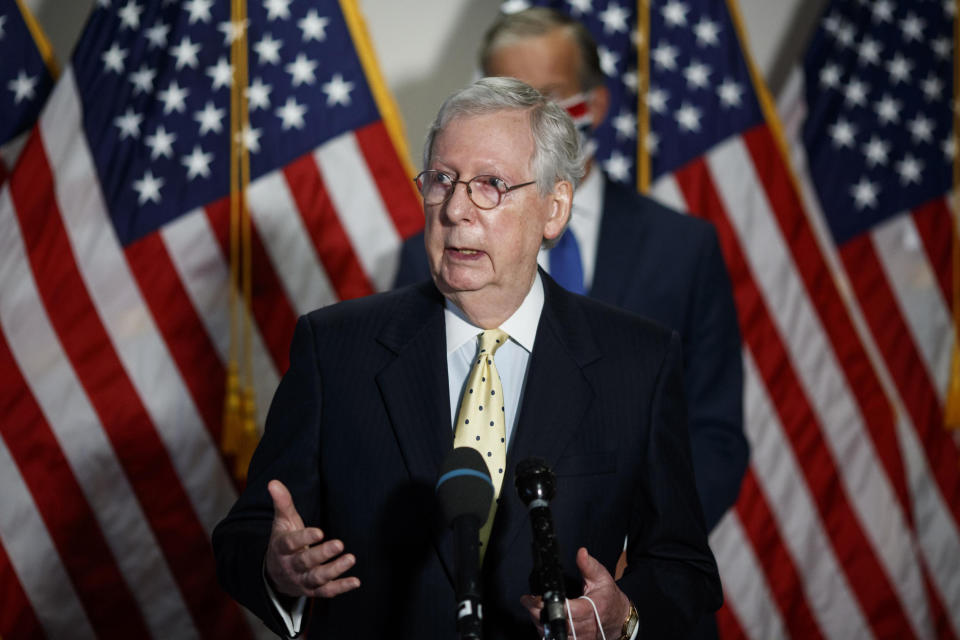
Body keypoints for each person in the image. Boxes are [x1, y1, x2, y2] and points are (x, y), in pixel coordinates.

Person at [213, 77, 721, 639]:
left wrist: (624, 616)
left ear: (554, 210)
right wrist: (278, 567)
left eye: (490, 185)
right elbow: (249, 535)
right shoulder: (335, 348)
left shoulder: (637, 362)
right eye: (442, 180)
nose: (455, 209)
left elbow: (684, 569)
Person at [394, 8, 748, 535]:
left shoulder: (685, 247)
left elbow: (713, 433)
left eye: (549, 98)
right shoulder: (436, 250)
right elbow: (406, 422)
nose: (531, 120)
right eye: (511, 95)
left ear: (597, 103)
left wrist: (643, 553)